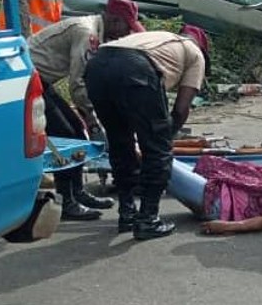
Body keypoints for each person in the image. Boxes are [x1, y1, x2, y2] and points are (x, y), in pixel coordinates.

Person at [85, 26, 209, 240]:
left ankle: (127, 213)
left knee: (119, 143)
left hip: (97, 66)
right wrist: (160, 142)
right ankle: (148, 219)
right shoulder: (195, 54)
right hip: (135, 68)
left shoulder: (155, 38)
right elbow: (180, 110)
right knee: (158, 151)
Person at [28, 0, 145, 220]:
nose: (125, 35)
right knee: (67, 135)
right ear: (112, 20)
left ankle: (77, 192)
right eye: (124, 27)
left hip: (42, 79)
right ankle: (67, 201)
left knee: (76, 132)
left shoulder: (95, 30)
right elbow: (77, 83)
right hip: (29, 80)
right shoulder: (87, 33)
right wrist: (92, 118)